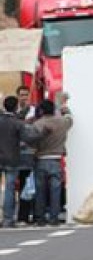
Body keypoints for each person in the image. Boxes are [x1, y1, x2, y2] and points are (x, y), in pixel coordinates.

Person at [0, 96, 41, 227]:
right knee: (9, 189)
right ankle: (7, 219)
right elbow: (28, 138)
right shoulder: (17, 123)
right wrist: (41, 132)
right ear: (16, 106)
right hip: (12, 158)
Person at [32, 94, 72, 226]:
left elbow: (32, 141)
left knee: (40, 191)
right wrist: (64, 108)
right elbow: (70, 119)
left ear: (41, 110)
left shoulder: (37, 124)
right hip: (56, 160)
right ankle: (54, 218)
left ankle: (40, 218)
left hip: (41, 160)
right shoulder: (62, 122)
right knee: (56, 190)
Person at [15, 85, 36, 225]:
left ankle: (25, 215)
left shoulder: (33, 112)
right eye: (22, 95)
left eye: (26, 95)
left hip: (28, 155)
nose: (24, 97)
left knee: (26, 186)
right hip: (14, 155)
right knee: (12, 187)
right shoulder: (13, 111)